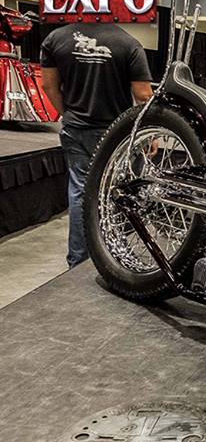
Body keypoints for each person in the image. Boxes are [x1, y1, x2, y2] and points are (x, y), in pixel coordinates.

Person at [41, 23, 153, 268]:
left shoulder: (56, 38)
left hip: (76, 130)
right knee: (118, 195)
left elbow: (48, 85)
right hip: (115, 136)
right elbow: (143, 95)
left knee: (80, 193)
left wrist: (68, 114)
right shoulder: (128, 43)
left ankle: (78, 261)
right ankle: (115, 259)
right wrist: (149, 135)